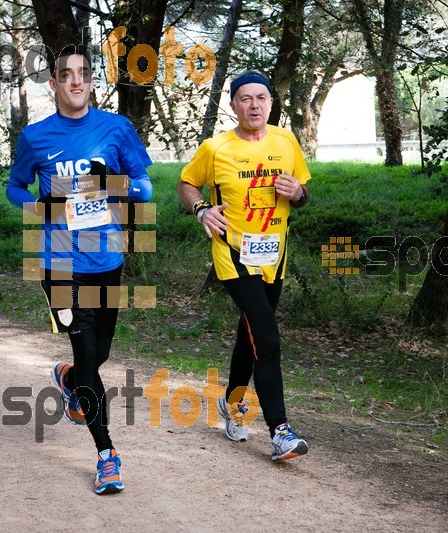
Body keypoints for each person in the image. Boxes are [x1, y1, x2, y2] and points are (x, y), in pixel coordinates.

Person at [6, 45, 153, 494]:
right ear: (53, 84)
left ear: (92, 82)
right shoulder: (36, 137)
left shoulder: (117, 128)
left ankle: (70, 379)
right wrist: (38, 206)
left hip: (107, 257)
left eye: (84, 74)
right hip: (59, 262)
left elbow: (145, 189)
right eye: (66, 75)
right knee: (89, 355)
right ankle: (107, 454)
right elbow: (14, 187)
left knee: (99, 352)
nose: (75, 81)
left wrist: (113, 183)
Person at [177, 70, 311, 462]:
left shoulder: (286, 141)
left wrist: (298, 192)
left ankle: (233, 405)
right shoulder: (215, 148)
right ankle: (281, 432)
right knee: (267, 340)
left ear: (271, 103)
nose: (254, 105)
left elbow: (303, 192)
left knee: (248, 334)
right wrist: (202, 210)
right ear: (233, 105)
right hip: (233, 254)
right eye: (245, 99)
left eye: (261, 98)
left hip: (273, 255)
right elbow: (187, 183)